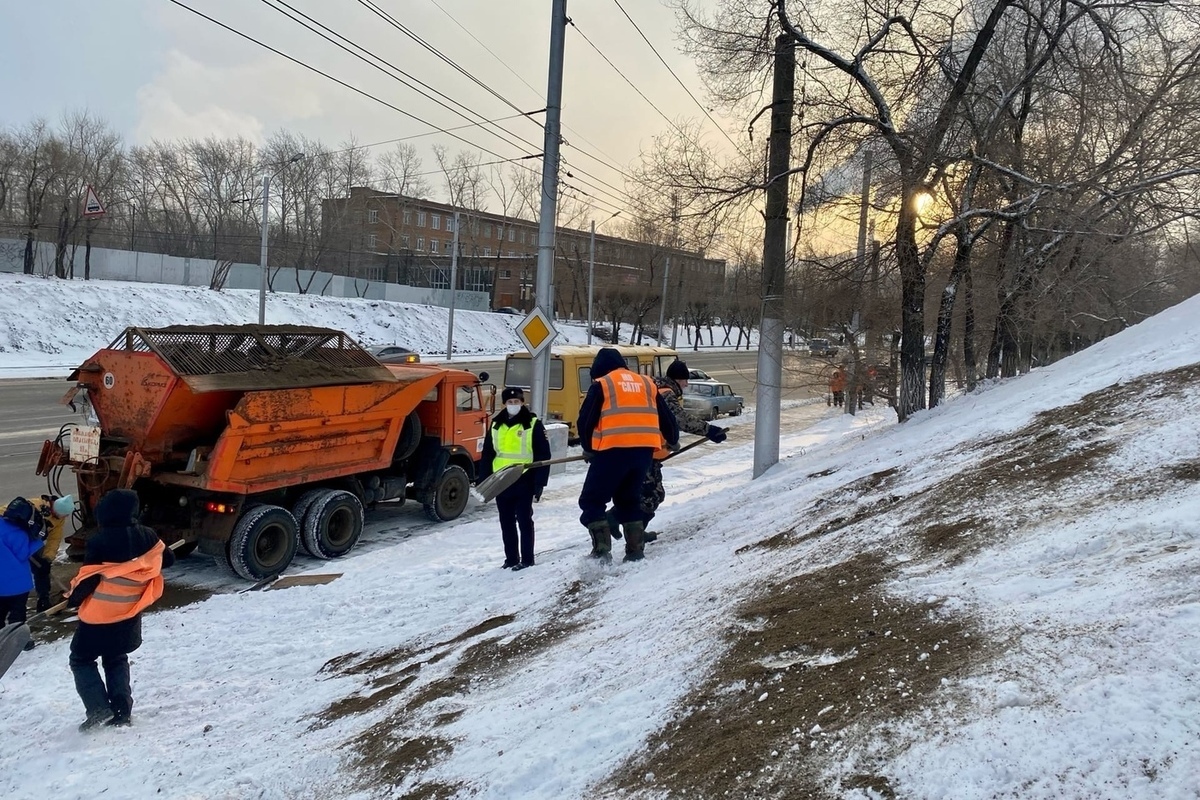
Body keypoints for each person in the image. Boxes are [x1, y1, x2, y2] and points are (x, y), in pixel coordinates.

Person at [66, 489, 175, 731]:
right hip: (128, 613)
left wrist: (72, 600)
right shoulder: (148, 536)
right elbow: (168, 560)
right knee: (115, 658)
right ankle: (121, 712)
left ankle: (98, 709)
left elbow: (88, 580)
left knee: (81, 659)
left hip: (98, 616)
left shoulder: (99, 540)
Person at [577, 347, 678, 563]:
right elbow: (666, 417)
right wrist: (673, 438)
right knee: (629, 500)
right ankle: (635, 552)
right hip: (643, 454)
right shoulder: (646, 383)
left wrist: (588, 448)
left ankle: (602, 551)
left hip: (612, 450)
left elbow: (585, 420)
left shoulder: (603, 384)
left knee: (592, 501)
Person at [634, 359, 727, 542]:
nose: (686, 385)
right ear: (678, 380)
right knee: (651, 495)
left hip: (642, 448)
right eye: (685, 380)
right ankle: (630, 534)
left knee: (646, 494)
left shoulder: (655, 387)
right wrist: (708, 430)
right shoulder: (666, 393)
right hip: (645, 450)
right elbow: (680, 419)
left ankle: (635, 532)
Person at [478, 387, 551, 571]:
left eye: (516, 402)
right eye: (510, 402)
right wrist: (484, 481)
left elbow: (544, 454)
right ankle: (511, 558)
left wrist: (540, 483)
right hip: (501, 480)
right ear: (504, 404)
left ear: (522, 402)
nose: (513, 405)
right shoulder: (496, 424)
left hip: (523, 479)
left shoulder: (532, 423)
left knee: (525, 520)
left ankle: (527, 559)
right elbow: (488, 454)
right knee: (506, 521)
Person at [1, 494, 75, 612]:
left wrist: (47, 558)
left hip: (31, 540)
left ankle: (43, 599)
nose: (65, 517)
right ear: (56, 510)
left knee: (42, 569)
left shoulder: (59, 519)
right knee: (14, 568)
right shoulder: (35, 506)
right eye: (64, 514)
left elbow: (54, 539)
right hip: (12, 538)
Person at [0, 498, 47, 648]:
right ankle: (20, 641)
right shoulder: (18, 532)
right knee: (17, 614)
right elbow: (22, 554)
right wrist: (36, 542)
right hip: (17, 584)